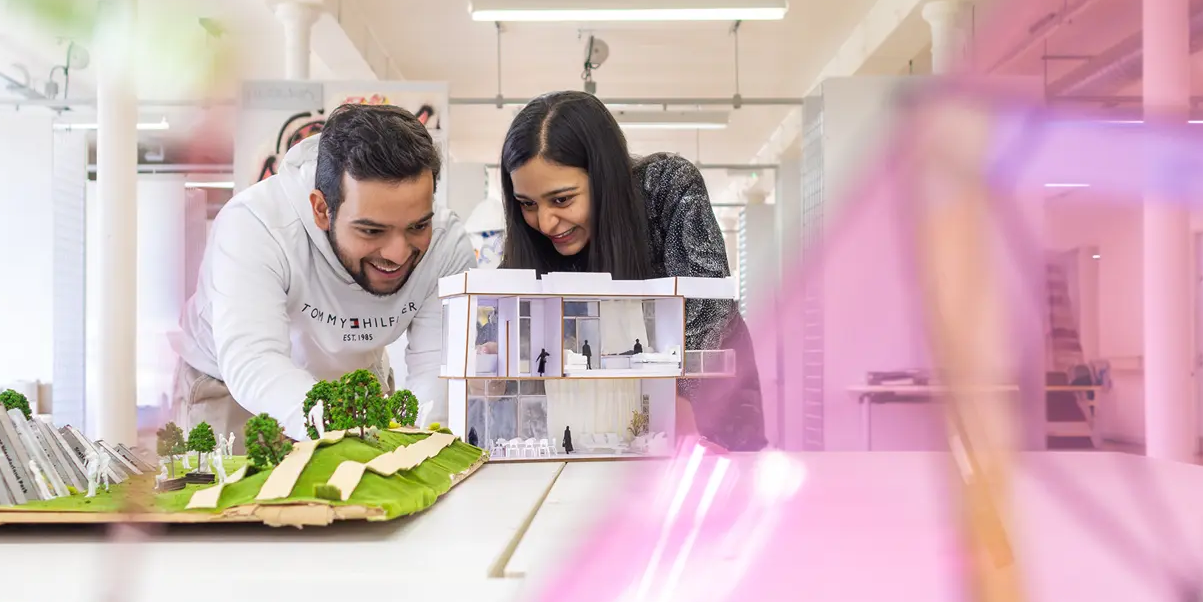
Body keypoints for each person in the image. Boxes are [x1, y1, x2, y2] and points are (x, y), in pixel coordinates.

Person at [177, 104, 473, 444]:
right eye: (371, 231)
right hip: (234, 385)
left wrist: (423, 446)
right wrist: (337, 429)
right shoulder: (254, 224)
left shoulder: (446, 242)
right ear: (321, 209)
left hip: (355, 376)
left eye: (417, 226)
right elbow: (254, 359)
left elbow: (437, 368)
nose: (398, 253)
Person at [497, 91, 767, 451]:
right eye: (528, 204)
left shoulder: (667, 188)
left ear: (604, 177)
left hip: (709, 419)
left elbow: (705, 307)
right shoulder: (532, 241)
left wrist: (678, 400)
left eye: (562, 199)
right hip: (599, 435)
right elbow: (500, 318)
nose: (545, 223)